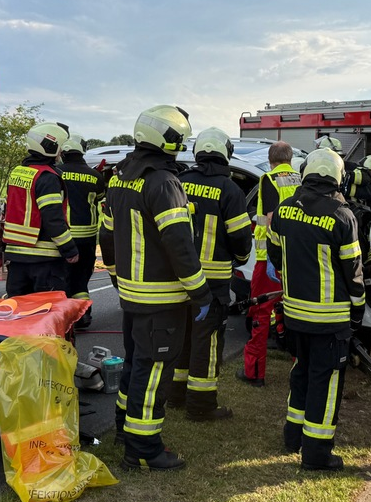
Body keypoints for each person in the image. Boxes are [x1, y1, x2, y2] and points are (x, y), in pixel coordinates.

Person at [98, 105, 211, 471]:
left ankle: (124, 429)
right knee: (153, 374)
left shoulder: (120, 176)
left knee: (135, 366)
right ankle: (143, 449)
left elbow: (107, 235)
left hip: (132, 296)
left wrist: (115, 276)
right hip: (162, 299)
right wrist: (201, 293)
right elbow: (180, 245)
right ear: (169, 139)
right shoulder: (163, 182)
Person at [268, 148, 365, 471]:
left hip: (294, 313)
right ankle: (316, 453)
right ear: (338, 177)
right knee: (326, 383)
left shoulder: (285, 209)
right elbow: (353, 272)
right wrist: (357, 312)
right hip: (330, 319)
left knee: (301, 372)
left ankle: (293, 436)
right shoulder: (342, 216)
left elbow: (275, 255)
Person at [168, 127, 254, 420]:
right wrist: (241, 259)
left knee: (182, 336)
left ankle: (175, 395)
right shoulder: (230, 190)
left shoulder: (178, 183)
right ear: (225, 154)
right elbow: (240, 237)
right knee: (206, 341)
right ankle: (201, 405)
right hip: (213, 282)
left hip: (179, 278)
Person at [240, 141, 302, 387]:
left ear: (270, 159)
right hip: (295, 258)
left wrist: (270, 257)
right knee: (294, 312)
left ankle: (255, 372)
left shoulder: (269, 180)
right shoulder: (300, 180)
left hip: (270, 258)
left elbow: (270, 218)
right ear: (290, 158)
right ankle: (300, 367)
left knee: (260, 312)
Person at [1, 122, 79, 296]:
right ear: (50, 147)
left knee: (20, 309)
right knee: (49, 310)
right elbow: (53, 218)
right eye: (59, 147)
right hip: (45, 261)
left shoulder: (18, 172)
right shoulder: (47, 177)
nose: (61, 152)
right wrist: (69, 249)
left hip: (16, 259)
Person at [59, 136, 105, 328]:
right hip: (88, 238)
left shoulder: (56, 172)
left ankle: (66, 319)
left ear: (64, 153)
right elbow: (100, 198)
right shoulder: (95, 176)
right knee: (81, 279)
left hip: (64, 235)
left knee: (64, 278)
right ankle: (84, 315)